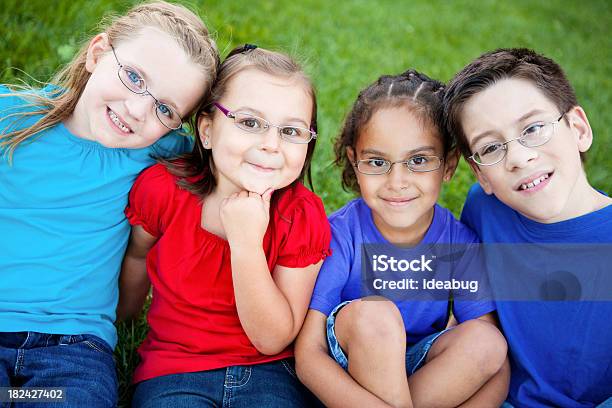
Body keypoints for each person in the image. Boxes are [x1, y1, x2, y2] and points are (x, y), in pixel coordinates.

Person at [0, 2, 218, 406]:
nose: (137, 110)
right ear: (97, 52)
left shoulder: (162, 154)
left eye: (165, 109)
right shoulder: (9, 118)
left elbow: (231, 156)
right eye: (134, 77)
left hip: (72, 349)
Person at [118, 44, 331, 407]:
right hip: (173, 371)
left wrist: (246, 242)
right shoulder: (163, 191)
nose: (270, 145)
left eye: (292, 131)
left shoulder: (302, 216)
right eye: (249, 123)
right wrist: (121, 321)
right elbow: (137, 257)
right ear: (207, 131)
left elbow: (271, 339)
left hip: (270, 372)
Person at [295, 70, 509, 408]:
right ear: (355, 161)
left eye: (419, 160)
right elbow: (308, 356)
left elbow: (494, 364)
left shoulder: (460, 245)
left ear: (449, 165)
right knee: (377, 317)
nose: (397, 181)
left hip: (418, 372)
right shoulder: (340, 234)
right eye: (378, 161)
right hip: (348, 379)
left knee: (489, 342)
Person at [444, 48, 612, 407]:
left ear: (578, 129)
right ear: (480, 174)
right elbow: (467, 319)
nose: (519, 158)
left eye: (533, 129)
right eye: (491, 148)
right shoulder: (485, 208)